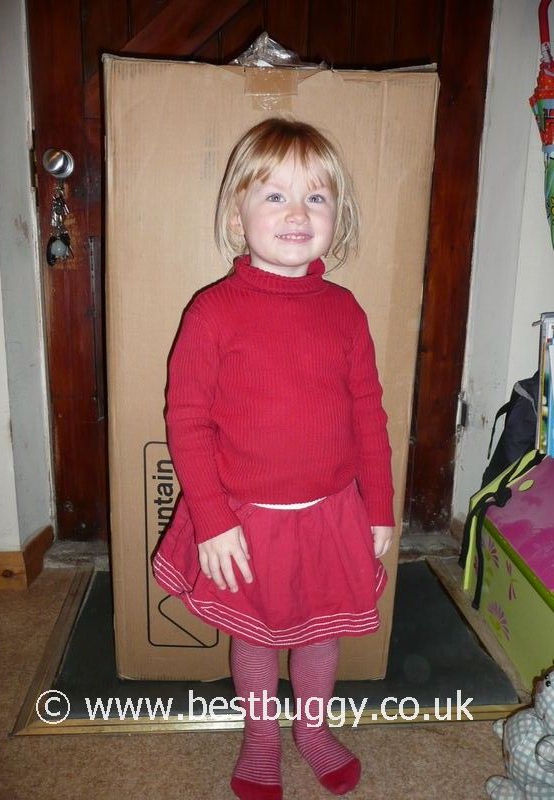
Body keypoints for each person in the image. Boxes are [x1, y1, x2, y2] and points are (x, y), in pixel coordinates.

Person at [152, 117, 395, 800]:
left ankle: (312, 729)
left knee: (321, 629)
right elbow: (187, 422)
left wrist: (380, 507)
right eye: (276, 196)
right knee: (255, 633)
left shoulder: (345, 312)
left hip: (329, 516)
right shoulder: (212, 312)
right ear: (238, 216)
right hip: (244, 519)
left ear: (336, 218)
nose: (297, 214)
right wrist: (211, 519)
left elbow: (369, 416)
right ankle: (261, 736)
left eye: (316, 197)